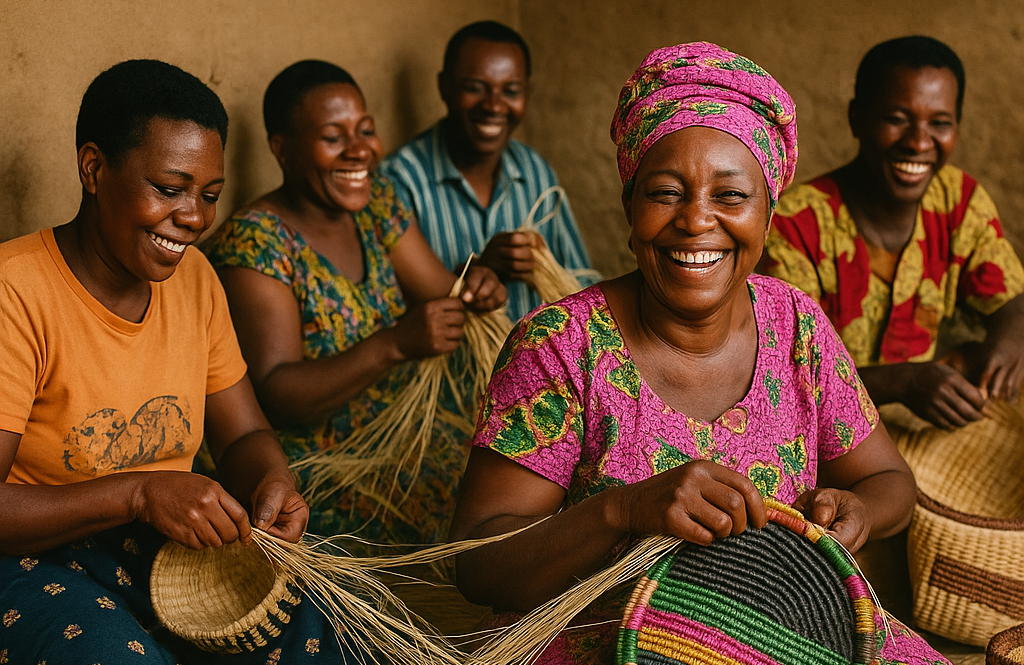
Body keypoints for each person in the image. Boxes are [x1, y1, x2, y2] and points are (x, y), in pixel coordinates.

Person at [448, 42, 946, 665]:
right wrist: (623, 511)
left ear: (768, 218)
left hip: (788, 636)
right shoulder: (560, 347)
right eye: (665, 193)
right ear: (629, 211)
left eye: (731, 197)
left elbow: (888, 480)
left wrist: (858, 511)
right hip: (605, 645)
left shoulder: (796, 325)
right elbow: (476, 564)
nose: (696, 221)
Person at [0, 60, 355, 663]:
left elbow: (243, 433)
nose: (193, 217)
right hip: (30, 557)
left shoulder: (194, 280)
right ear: (94, 168)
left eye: (209, 195)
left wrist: (272, 481)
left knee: (325, 631)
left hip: (164, 549)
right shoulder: (16, 292)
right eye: (169, 189)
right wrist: (139, 494)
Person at [203, 60, 506, 548]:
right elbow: (277, 392)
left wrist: (477, 287)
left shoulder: (376, 204)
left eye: (365, 130)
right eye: (333, 137)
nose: (360, 149)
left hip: (403, 440)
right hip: (321, 468)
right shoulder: (256, 243)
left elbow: (443, 288)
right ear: (281, 150)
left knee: (500, 486)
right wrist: (394, 345)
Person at [761, 36, 1024, 430]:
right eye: (896, 119)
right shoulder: (795, 228)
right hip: (821, 441)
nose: (919, 143)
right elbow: (784, 383)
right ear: (856, 119)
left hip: (922, 434)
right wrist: (904, 381)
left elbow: (1012, 304)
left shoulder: (958, 201)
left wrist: (1007, 345)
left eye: (940, 123)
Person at [378, 20, 597, 321]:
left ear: (527, 94)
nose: (494, 105)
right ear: (444, 87)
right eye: (474, 88)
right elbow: (392, 313)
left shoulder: (533, 170)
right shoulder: (399, 180)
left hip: (536, 364)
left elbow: (582, 287)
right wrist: (482, 268)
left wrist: (545, 264)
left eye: (511, 91)